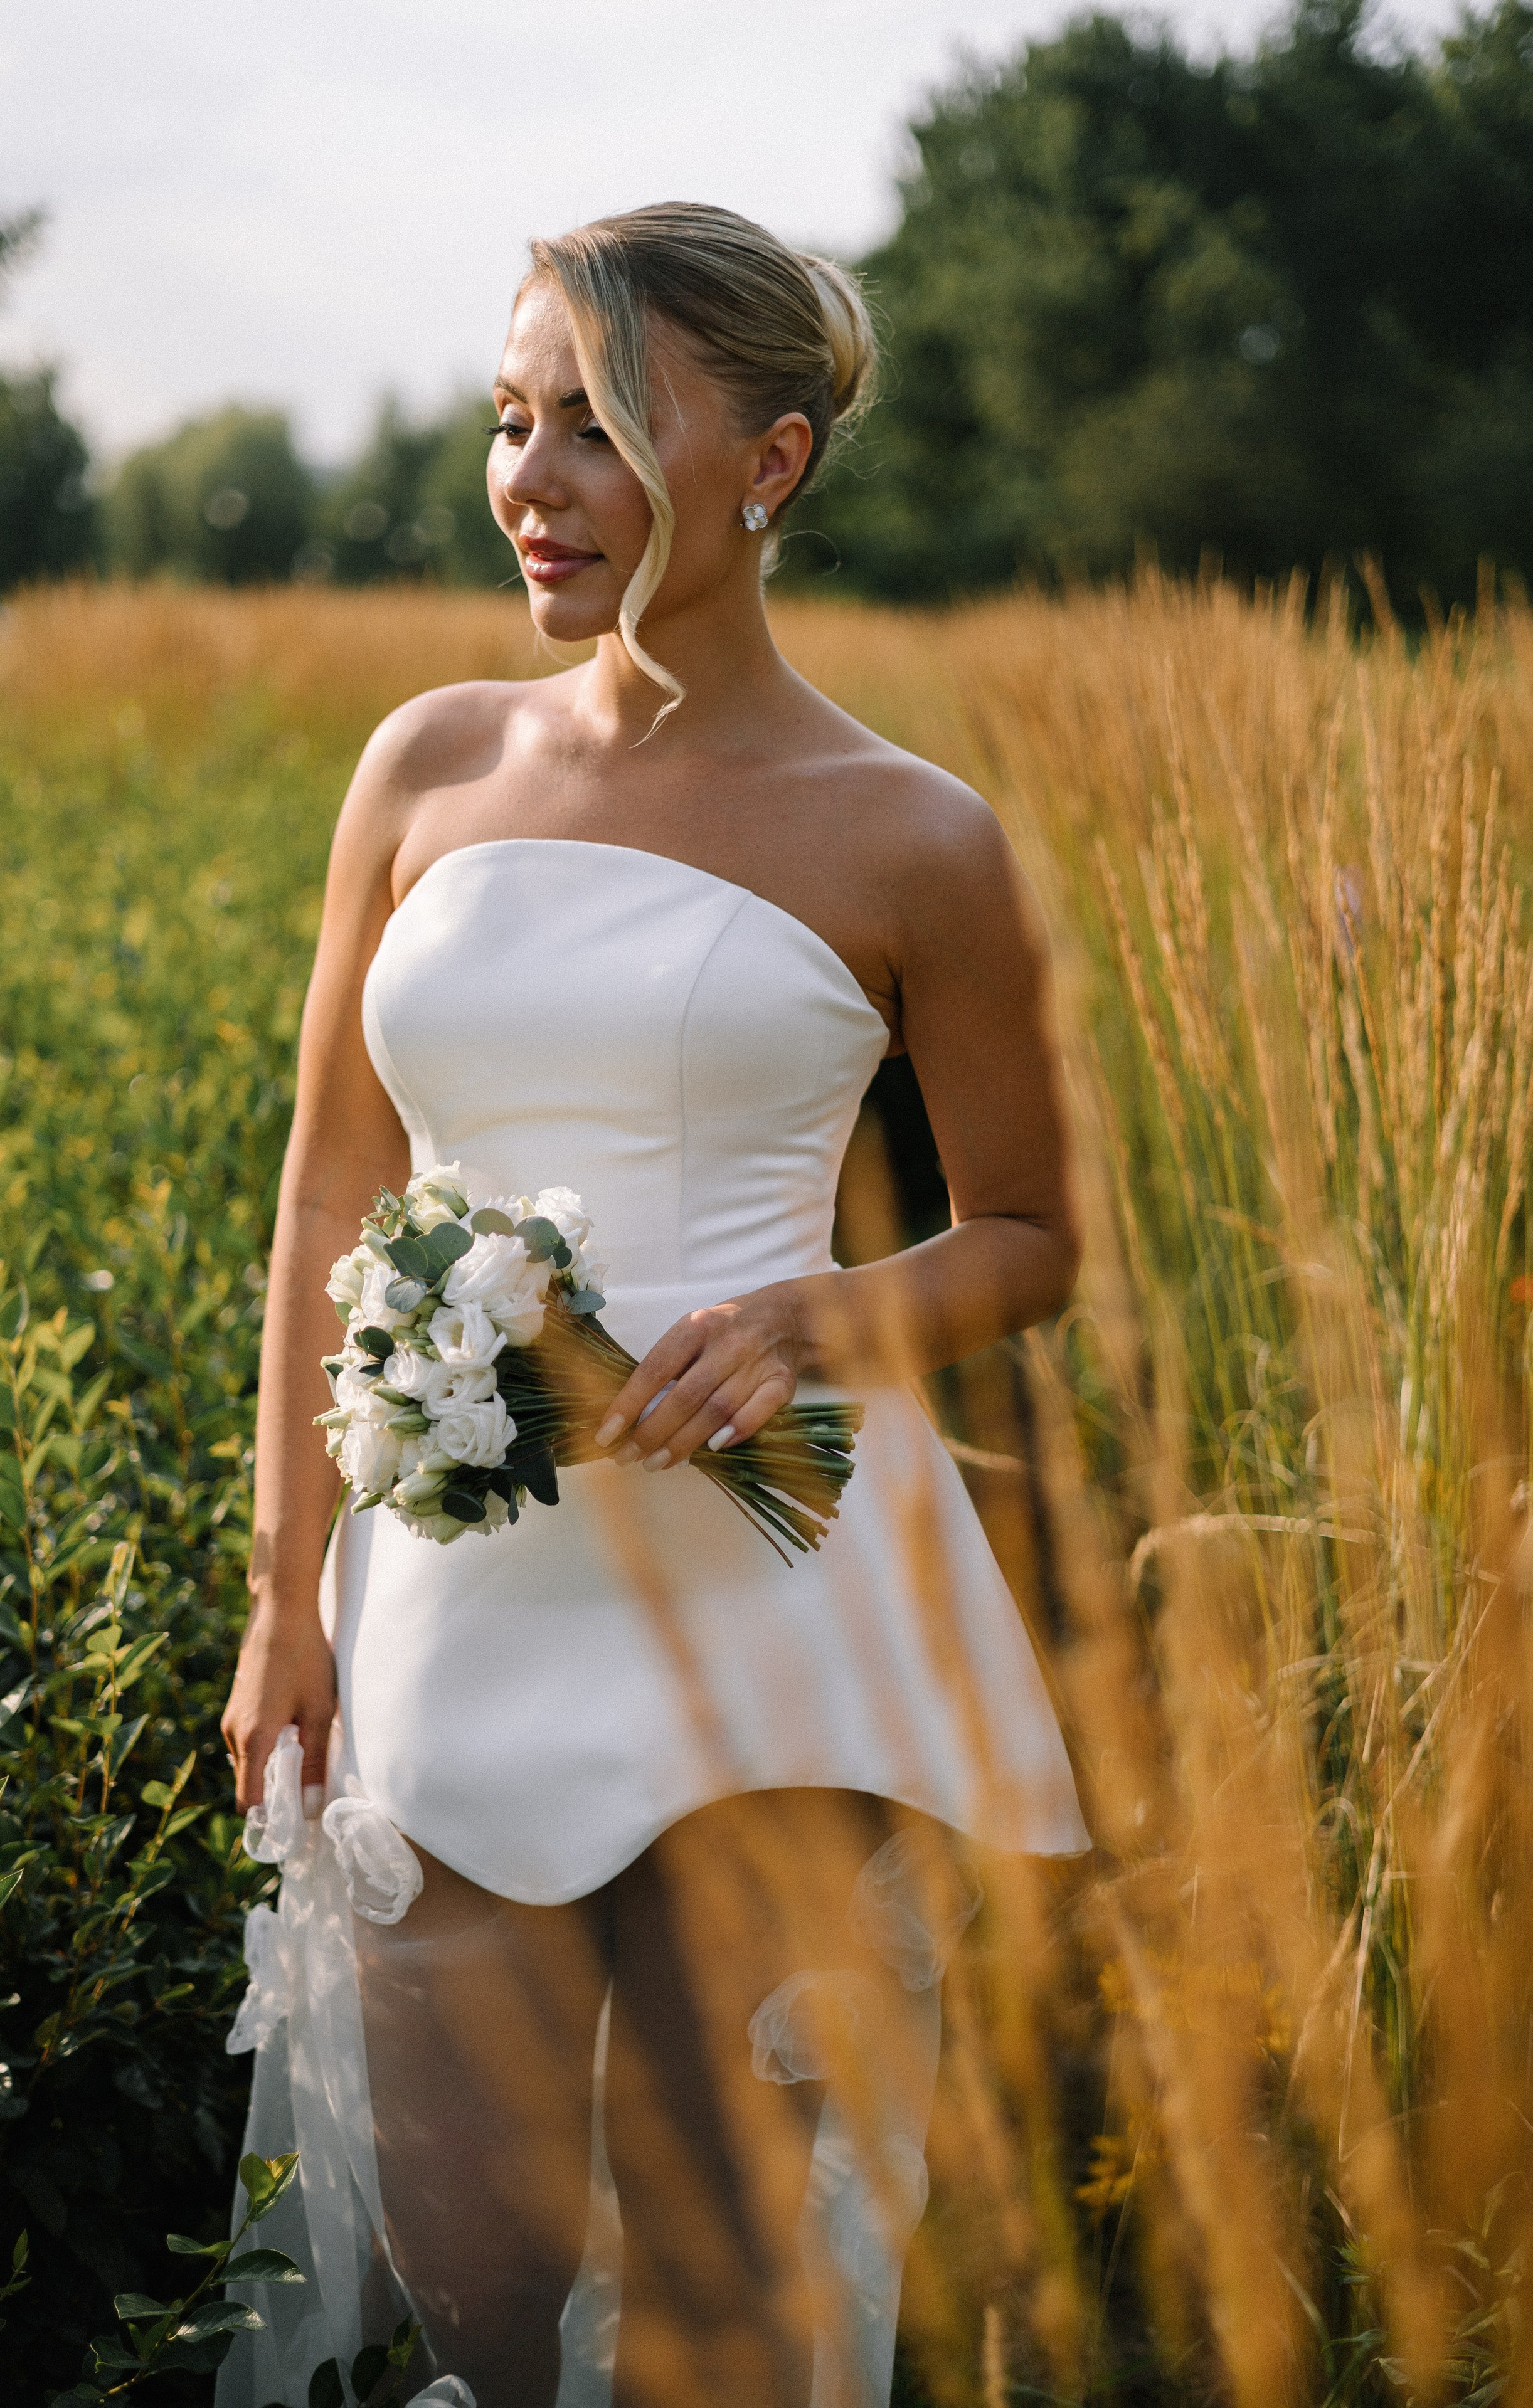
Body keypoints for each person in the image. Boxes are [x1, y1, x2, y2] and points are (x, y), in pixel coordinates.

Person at [216, 202, 1089, 2408]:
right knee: (477, 2267)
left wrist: (815, 1321)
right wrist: (284, 1594)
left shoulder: (916, 837)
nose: (533, 479)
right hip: (456, 1590)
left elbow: (1031, 1237)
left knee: (716, 2276)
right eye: (513, 420)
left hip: (765, 1597)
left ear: (770, 463)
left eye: (599, 425)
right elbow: (333, 1182)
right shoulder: (425, 768)